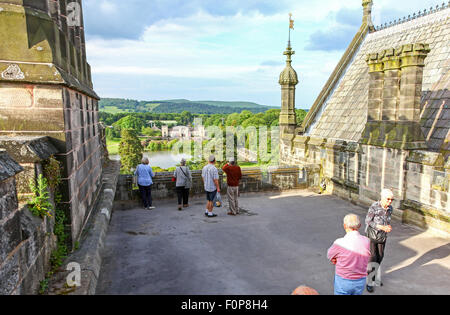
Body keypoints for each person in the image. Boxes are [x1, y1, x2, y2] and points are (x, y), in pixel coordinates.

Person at [327, 214, 371, 295]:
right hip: (360, 280)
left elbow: (330, 255)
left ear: (344, 226)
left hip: (343, 280)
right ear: (360, 225)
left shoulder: (339, 243)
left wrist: (335, 259)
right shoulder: (367, 241)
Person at [364, 188, 394, 293]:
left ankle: (374, 277)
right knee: (373, 257)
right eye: (388, 199)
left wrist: (388, 227)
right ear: (382, 198)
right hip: (372, 235)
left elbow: (387, 220)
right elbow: (368, 221)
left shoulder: (390, 209)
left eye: (392, 200)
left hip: (382, 236)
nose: (390, 202)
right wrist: (381, 227)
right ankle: (369, 281)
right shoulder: (374, 206)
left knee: (380, 257)